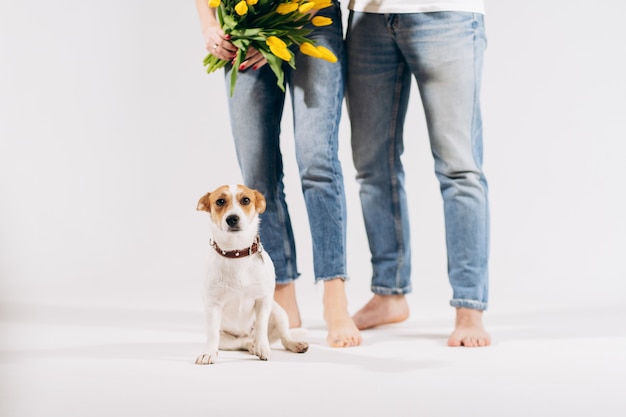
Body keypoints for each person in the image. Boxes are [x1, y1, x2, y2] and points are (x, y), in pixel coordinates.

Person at [195, 0, 362, 347]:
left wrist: (281, 26)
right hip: (244, 23)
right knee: (258, 172)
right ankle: (280, 290)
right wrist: (209, 24)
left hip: (312, 18)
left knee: (317, 160)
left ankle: (335, 296)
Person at [345, 0, 492, 347]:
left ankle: (470, 307)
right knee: (372, 166)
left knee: (460, 169)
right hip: (367, 18)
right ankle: (389, 294)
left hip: (445, 15)